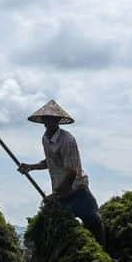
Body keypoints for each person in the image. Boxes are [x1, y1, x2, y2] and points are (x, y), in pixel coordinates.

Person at [17, 100, 105, 243]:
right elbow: (51, 162)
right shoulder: (45, 139)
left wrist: (55, 195)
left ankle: (103, 256)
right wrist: (30, 167)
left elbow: (71, 172)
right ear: (43, 121)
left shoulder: (67, 140)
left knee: (93, 223)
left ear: (58, 121)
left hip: (77, 191)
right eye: (47, 119)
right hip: (60, 194)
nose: (49, 122)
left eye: (53, 119)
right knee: (59, 230)